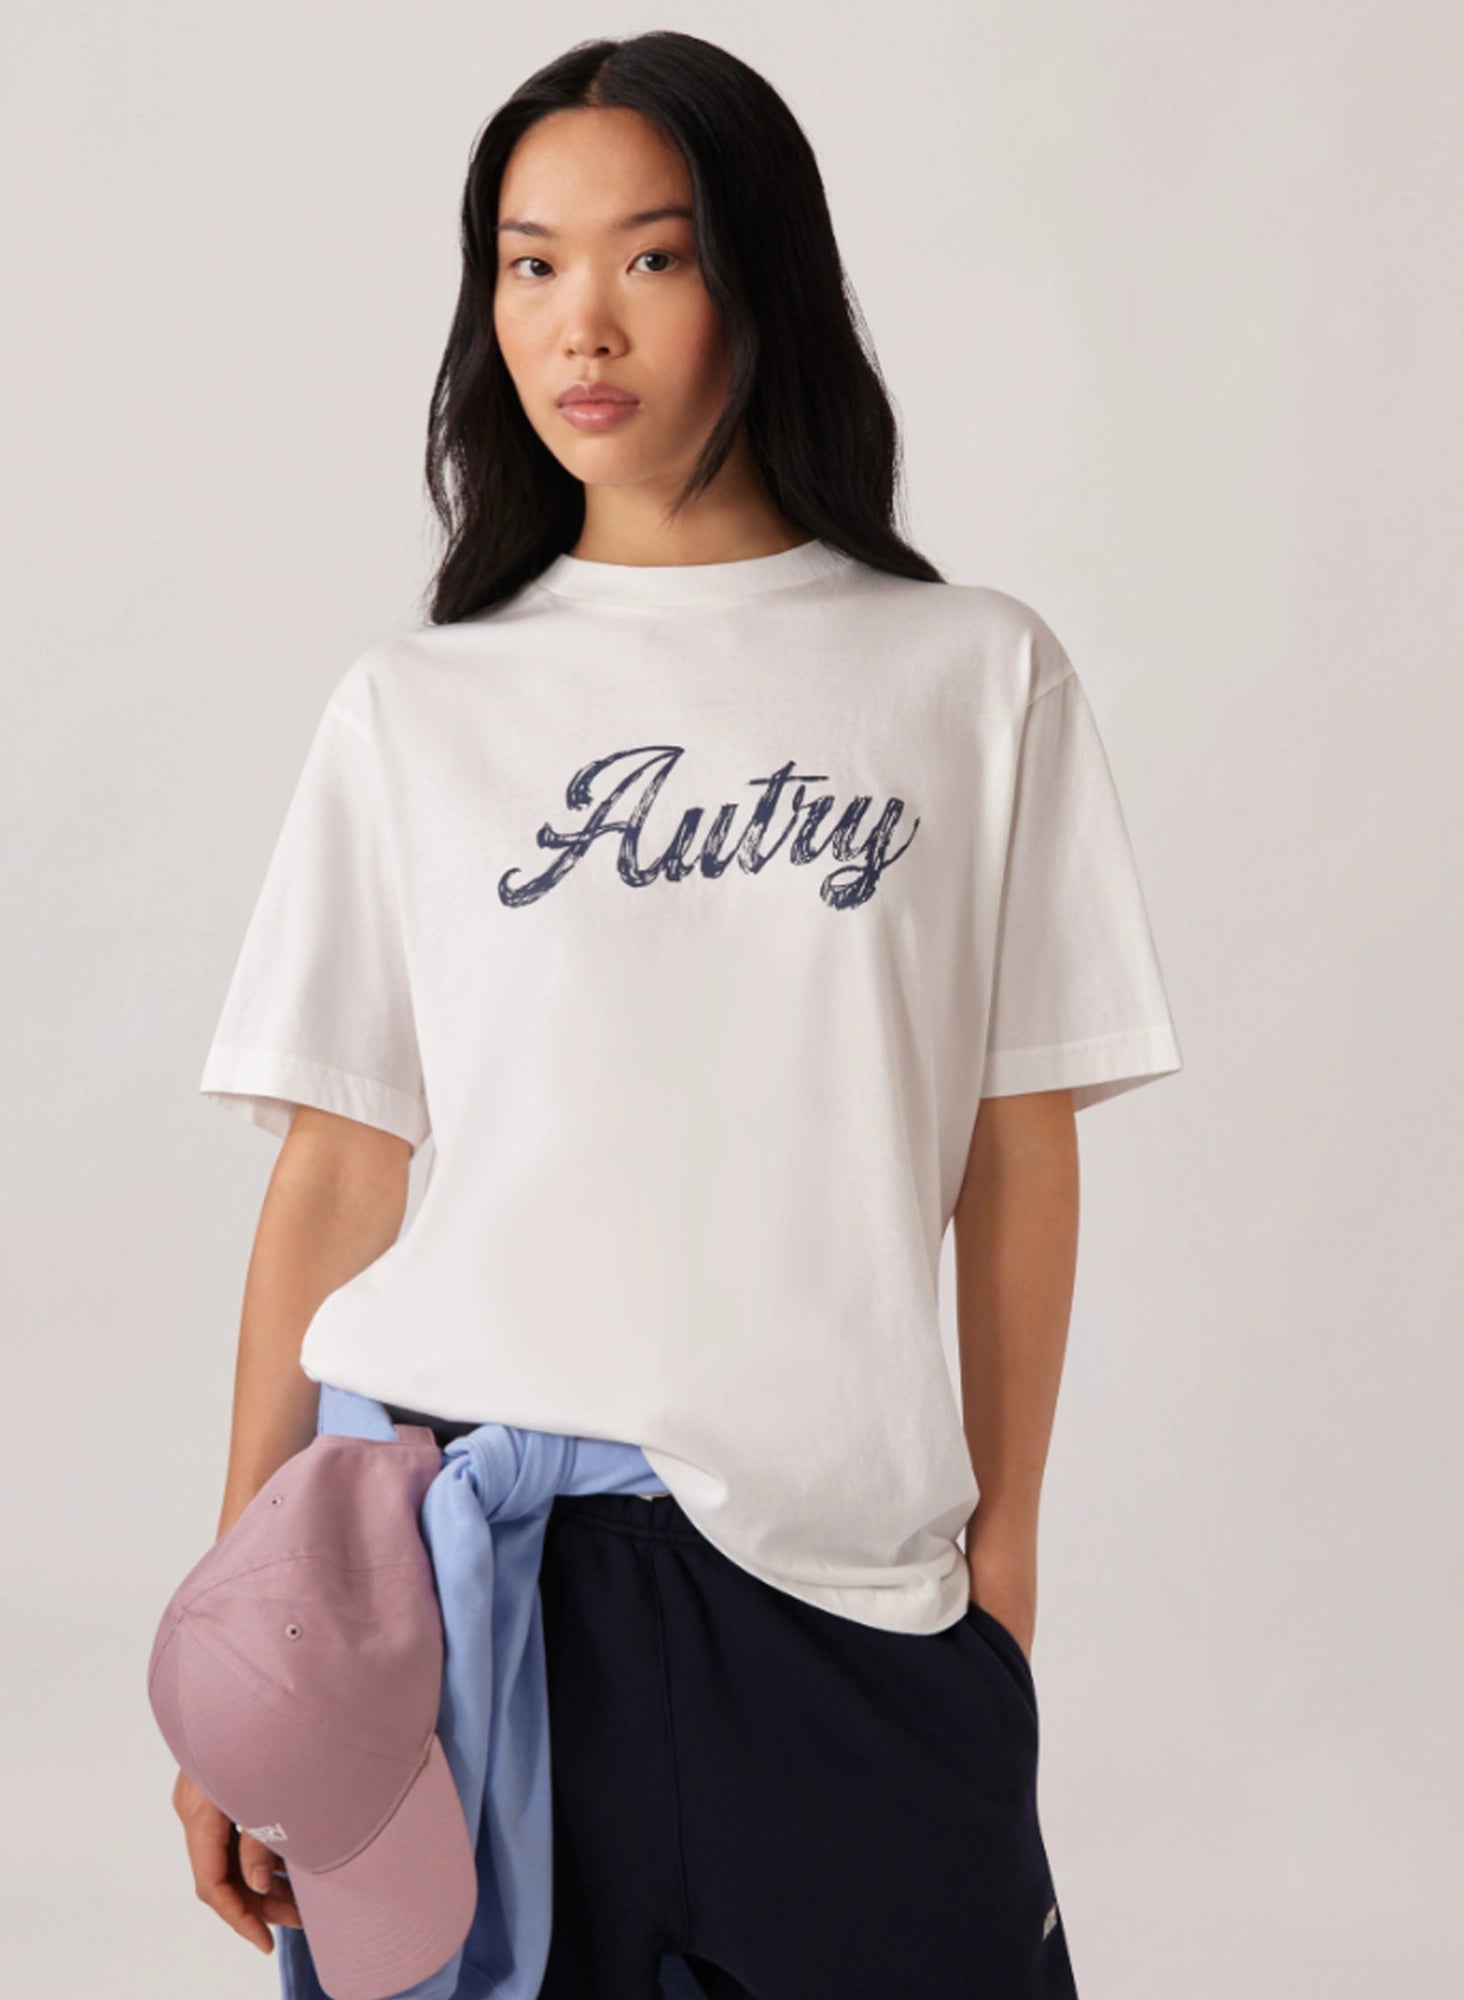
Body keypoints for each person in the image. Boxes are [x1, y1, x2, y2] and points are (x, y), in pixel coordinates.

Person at [169, 29, 1182, 2000]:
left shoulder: (972, 677)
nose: (583, 321)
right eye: (529, 263)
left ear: (760, 276)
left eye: (651, 254)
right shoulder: (418, 709)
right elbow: (335, 1182)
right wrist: (243, 1634)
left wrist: (997, 1575)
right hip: (454, 1602)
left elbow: (1015, 1155)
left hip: (845, 1593)